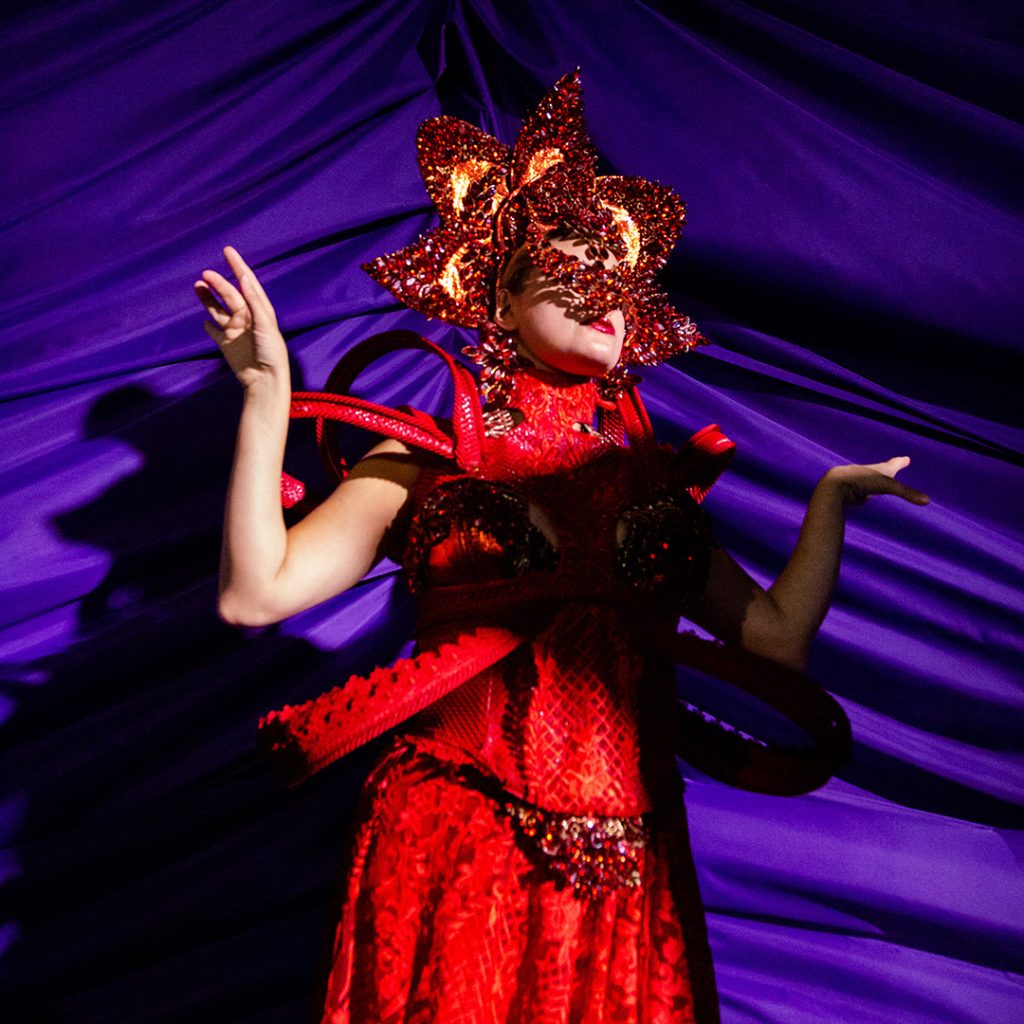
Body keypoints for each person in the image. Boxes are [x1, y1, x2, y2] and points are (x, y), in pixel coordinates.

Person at [195, 72, 928, 1024]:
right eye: (568, 270)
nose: (602, 292)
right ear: (496, 303)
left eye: (618, 275)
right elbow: (256, 594)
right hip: (457, 836)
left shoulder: (651, 490)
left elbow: (775, 640)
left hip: (629, 864)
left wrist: (829, 499)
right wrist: (265, 398)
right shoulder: (433, 452)